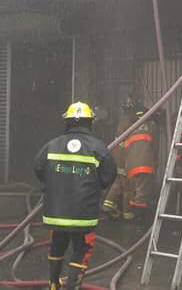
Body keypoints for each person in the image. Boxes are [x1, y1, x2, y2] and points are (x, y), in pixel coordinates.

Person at [34, 102, 116, 290]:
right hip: (83, 215)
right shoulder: (99, 147)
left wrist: (54, 183)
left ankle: (53, 284)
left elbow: (38, 168)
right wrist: (93, 185)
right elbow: (108, 176)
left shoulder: (51, 145)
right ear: (90, 123)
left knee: (57, 246)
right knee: (81, 251)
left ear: (67, 122)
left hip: (56, 212)